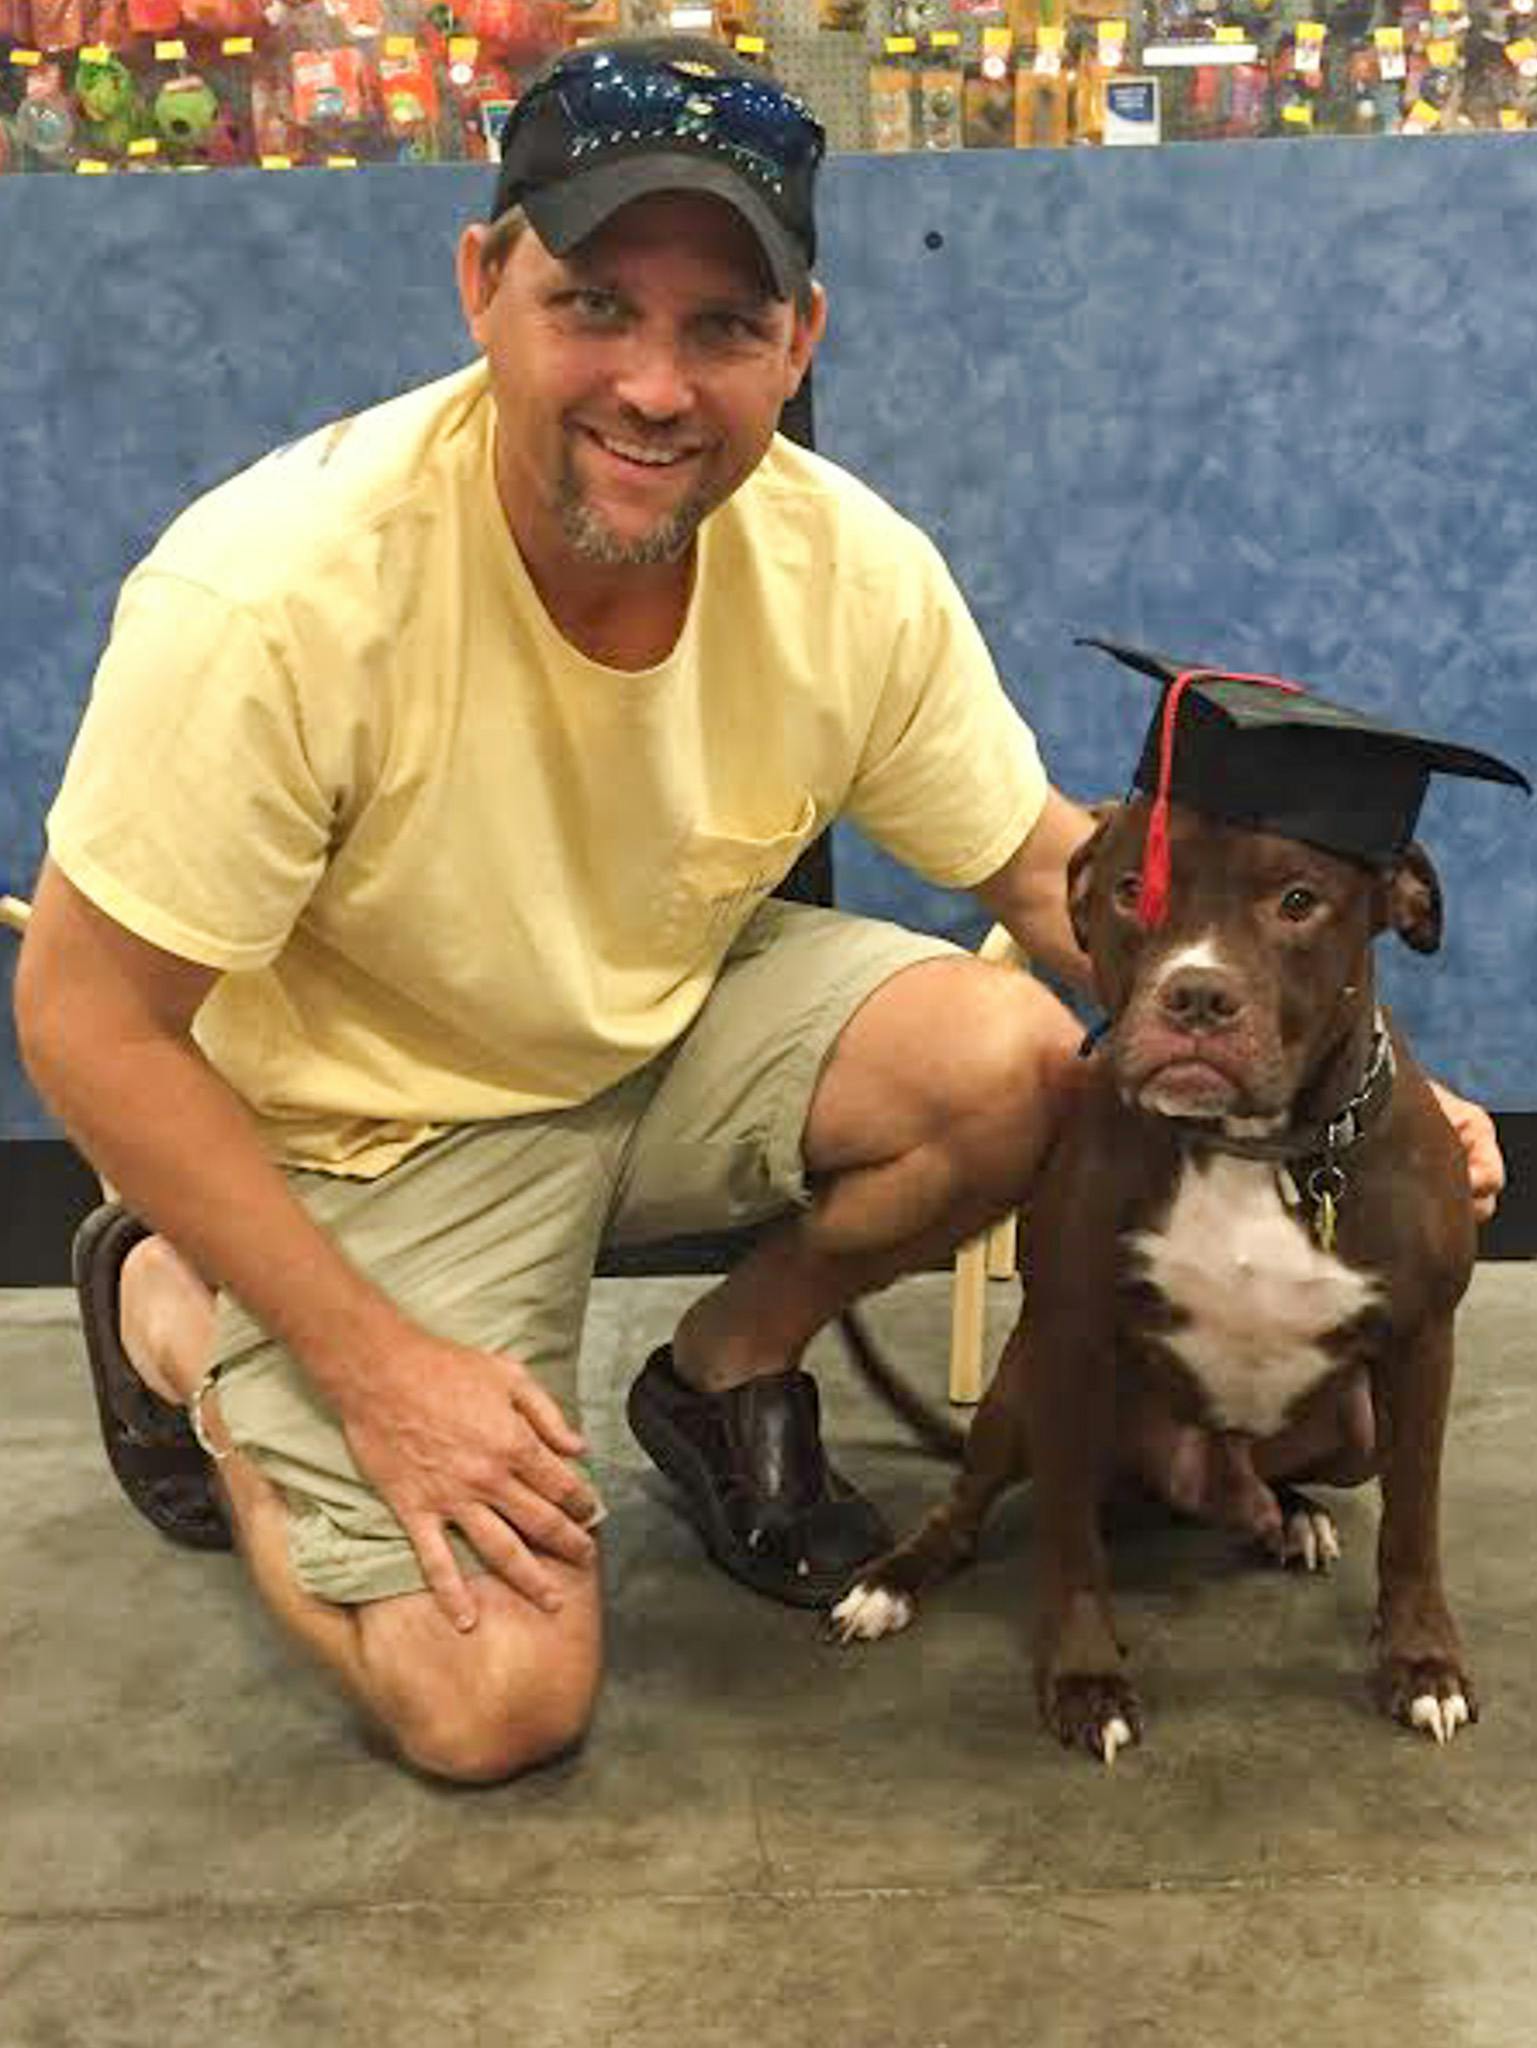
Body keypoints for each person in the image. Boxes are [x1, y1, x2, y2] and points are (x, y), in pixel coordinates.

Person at [15, 35, 1503, 1787]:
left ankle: (721, 1367)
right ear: (483, 285)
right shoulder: (268, 596)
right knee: (494, 1704)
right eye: (594, 304)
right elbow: (83, 1017)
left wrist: (1379, 1095)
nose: (655, 385)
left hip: (647, 1043)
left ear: (798, 344)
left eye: (723, 326)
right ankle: (184, 1320)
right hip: (367, 1136)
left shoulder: (845, 565)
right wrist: (371, 1368)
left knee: (1021, 1060)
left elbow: (1046, 876)